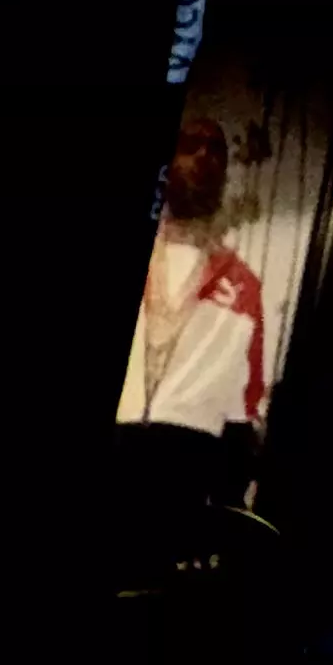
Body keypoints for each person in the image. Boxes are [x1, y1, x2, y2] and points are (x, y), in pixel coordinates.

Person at [115, 113, 268, 435]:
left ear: (224, 174)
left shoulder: (243, 286)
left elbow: (244, 405)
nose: (203, 155)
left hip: (189, 448)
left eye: (215, 150)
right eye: (190, 145)